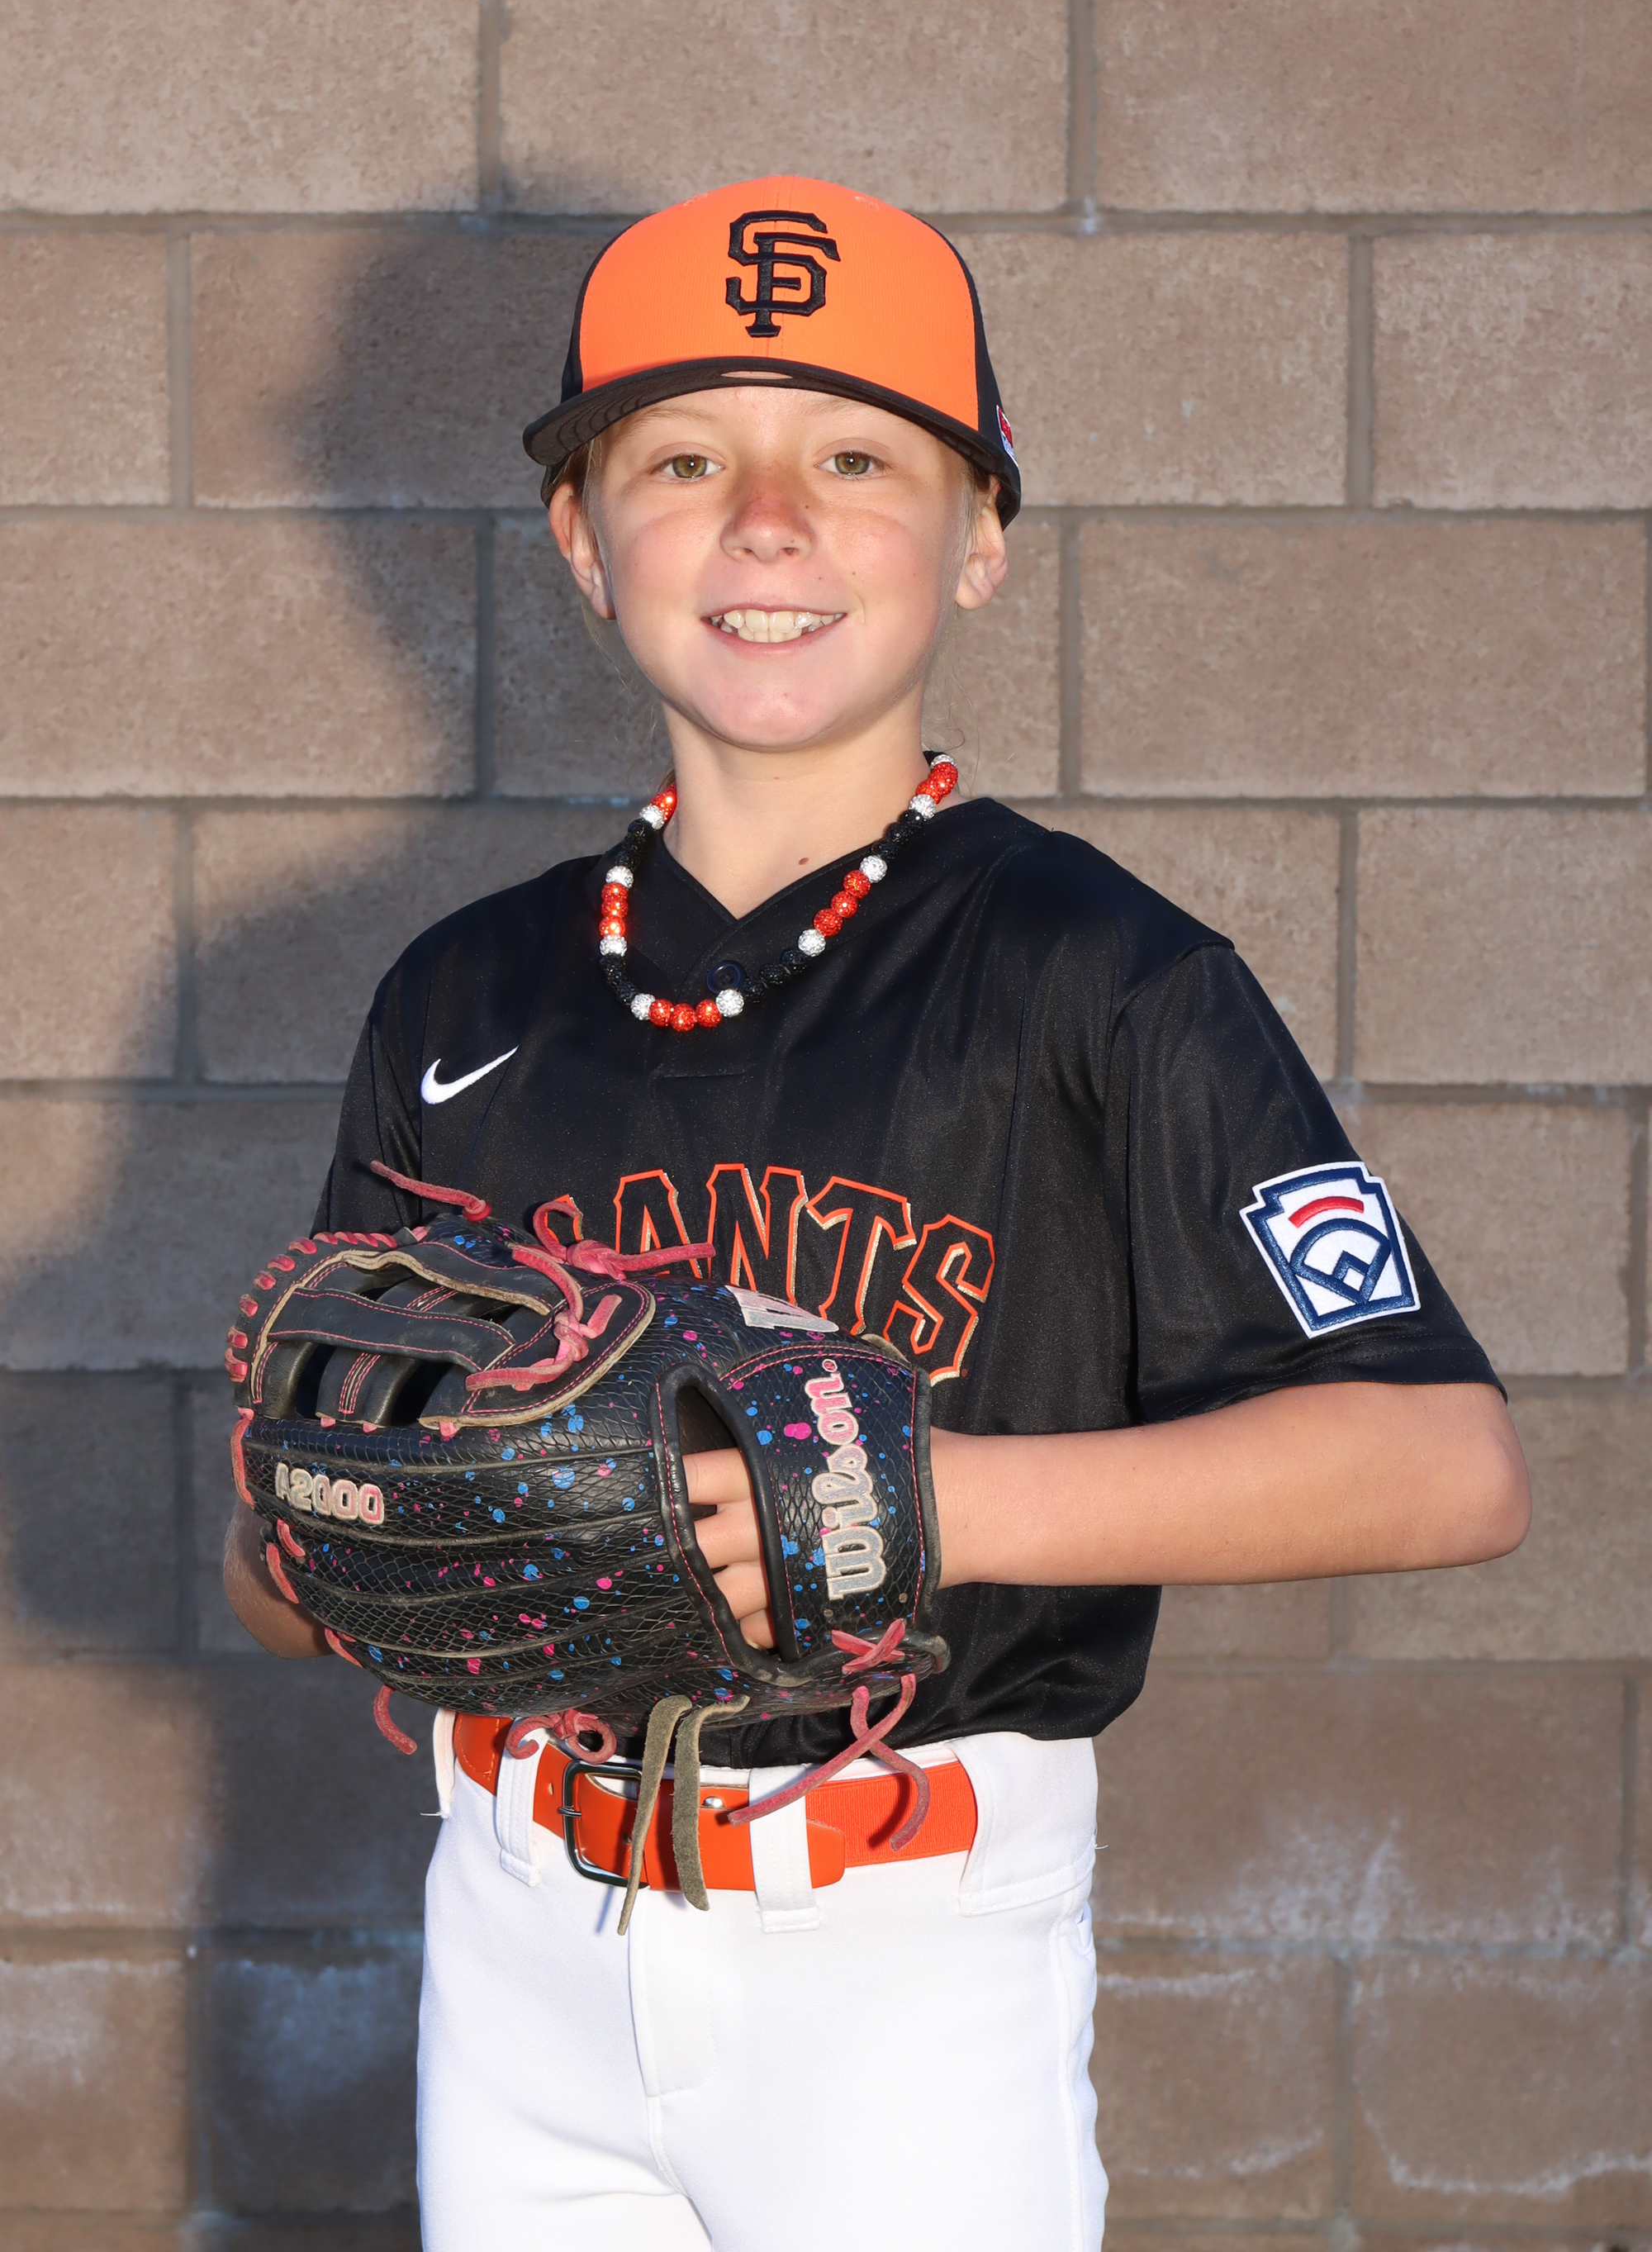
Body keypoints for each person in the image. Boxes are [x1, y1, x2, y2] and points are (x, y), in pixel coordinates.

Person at [223, 176, 1530, 2252]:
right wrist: (355, 1544)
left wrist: (909, 1499)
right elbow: (281, 1573)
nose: (767, 522)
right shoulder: (458, 994)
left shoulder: (1106, 974)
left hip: (899, 1946)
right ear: (581, 540)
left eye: (854, 459)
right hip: (514, 1912)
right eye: (681, 460)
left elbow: (1445, 1462)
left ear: (980, 535)